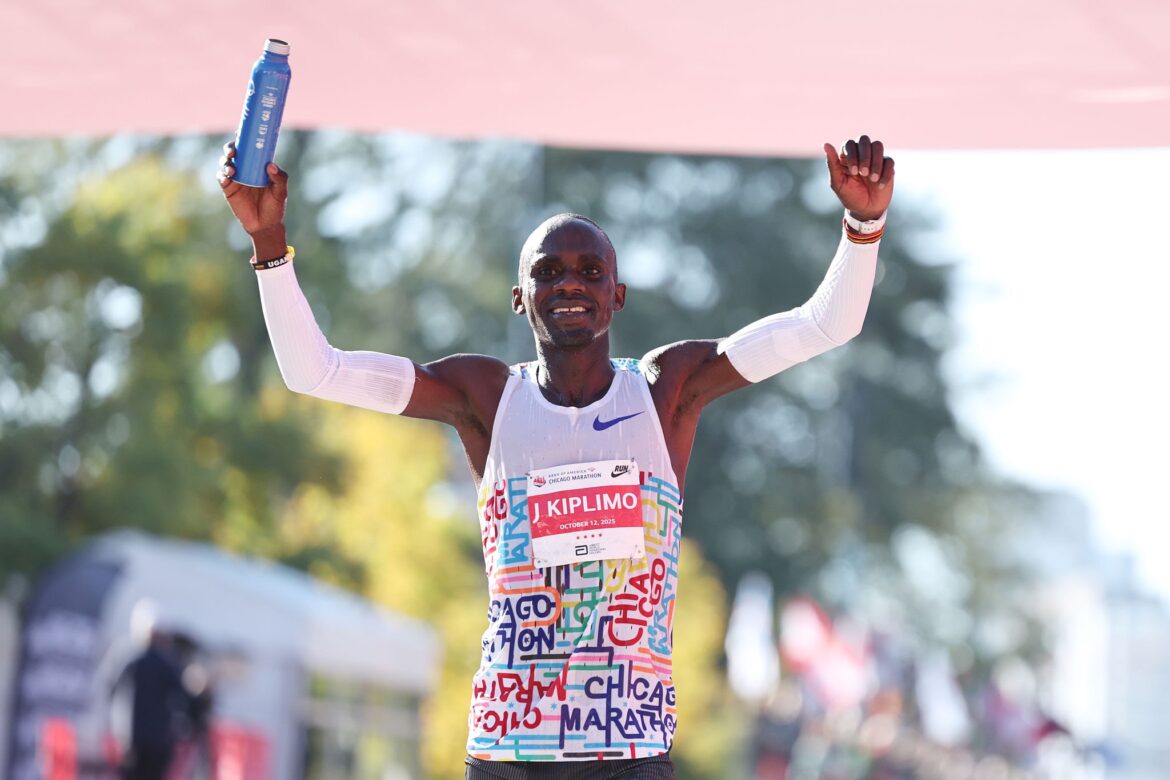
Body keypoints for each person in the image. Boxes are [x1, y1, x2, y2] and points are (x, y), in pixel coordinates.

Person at [218, 134, 894, 779]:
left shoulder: (668, 390)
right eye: (548, 272)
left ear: (617, 296)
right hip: (509, 750)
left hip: (630, 752)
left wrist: (861, 230)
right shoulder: (484, 396)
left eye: (590, 271)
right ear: (520, 298)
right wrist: (268, 244)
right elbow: (316, 372)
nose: (569, 284)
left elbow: (824, 325)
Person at [115, 628, 193, 780]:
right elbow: (183, 697)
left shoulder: (135, 662)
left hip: (134, 737)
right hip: (159, 739)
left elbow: (115, 688)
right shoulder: (168, 665)